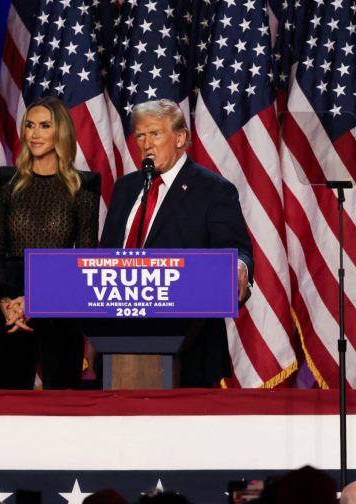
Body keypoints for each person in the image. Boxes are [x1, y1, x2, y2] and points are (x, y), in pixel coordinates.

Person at [99, 99, 254, 388]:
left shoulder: (213, 190)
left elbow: (236, 248)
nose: (146, 144)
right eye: (140, 135)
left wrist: (239, 266)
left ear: (180, 138)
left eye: (156, 134)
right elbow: (106, 255)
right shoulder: (125, 188)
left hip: (189, 344)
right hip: (119, 340)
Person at [0, 96, 100, 389]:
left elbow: (86, 257)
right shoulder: (8, 183)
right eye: (30, 126)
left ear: (60, 132)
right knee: (7, 403)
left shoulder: (83, 186)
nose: (35, 134)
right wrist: (5, 302)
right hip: (10, 304)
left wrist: (37, 300)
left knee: (62, 403)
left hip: (60, 299)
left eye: (44, 126)